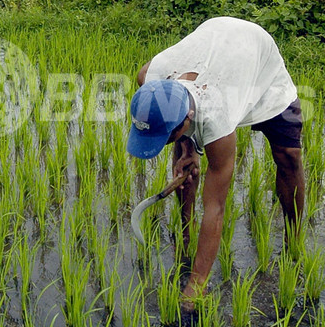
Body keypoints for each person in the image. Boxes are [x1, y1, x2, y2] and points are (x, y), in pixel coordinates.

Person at [126, 17, 305, 310]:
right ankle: (184, 236)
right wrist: (188, 148)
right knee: (186, 164)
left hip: (258, 62)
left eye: (171, 136)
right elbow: (166, 98)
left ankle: (294, 239)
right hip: (214, 42)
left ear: (185, 120)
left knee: (289, 156)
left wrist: (196, 284)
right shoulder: (151, 76)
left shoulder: (216, 115)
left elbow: (216, 207)